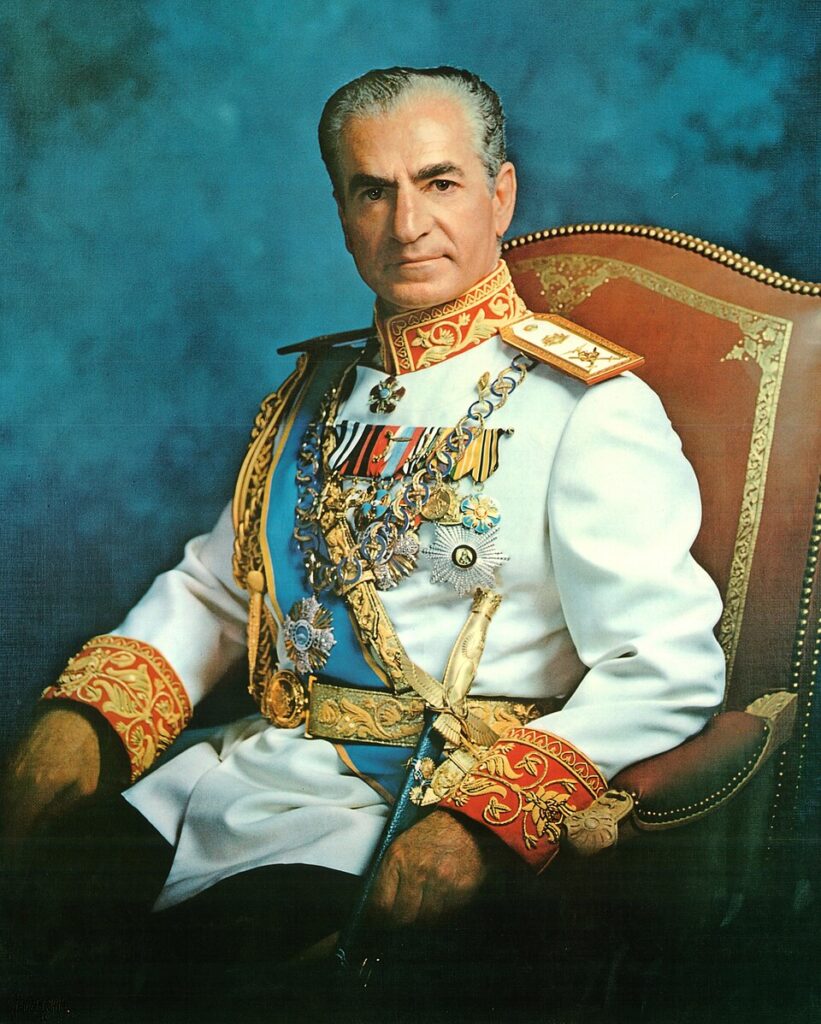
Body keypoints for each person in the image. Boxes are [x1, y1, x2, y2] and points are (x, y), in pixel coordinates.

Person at [1, 66, 725, 1015]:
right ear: (342, 213)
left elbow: (663, 665)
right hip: (238, 771)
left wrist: (483, 820)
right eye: (371, 191)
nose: (406, 225)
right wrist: (88, 719)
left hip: (405, 805)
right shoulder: (312, 395)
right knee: (32, 914)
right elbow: (220, 594)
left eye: (439, 182)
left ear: (500, 194)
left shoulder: (587, 408)